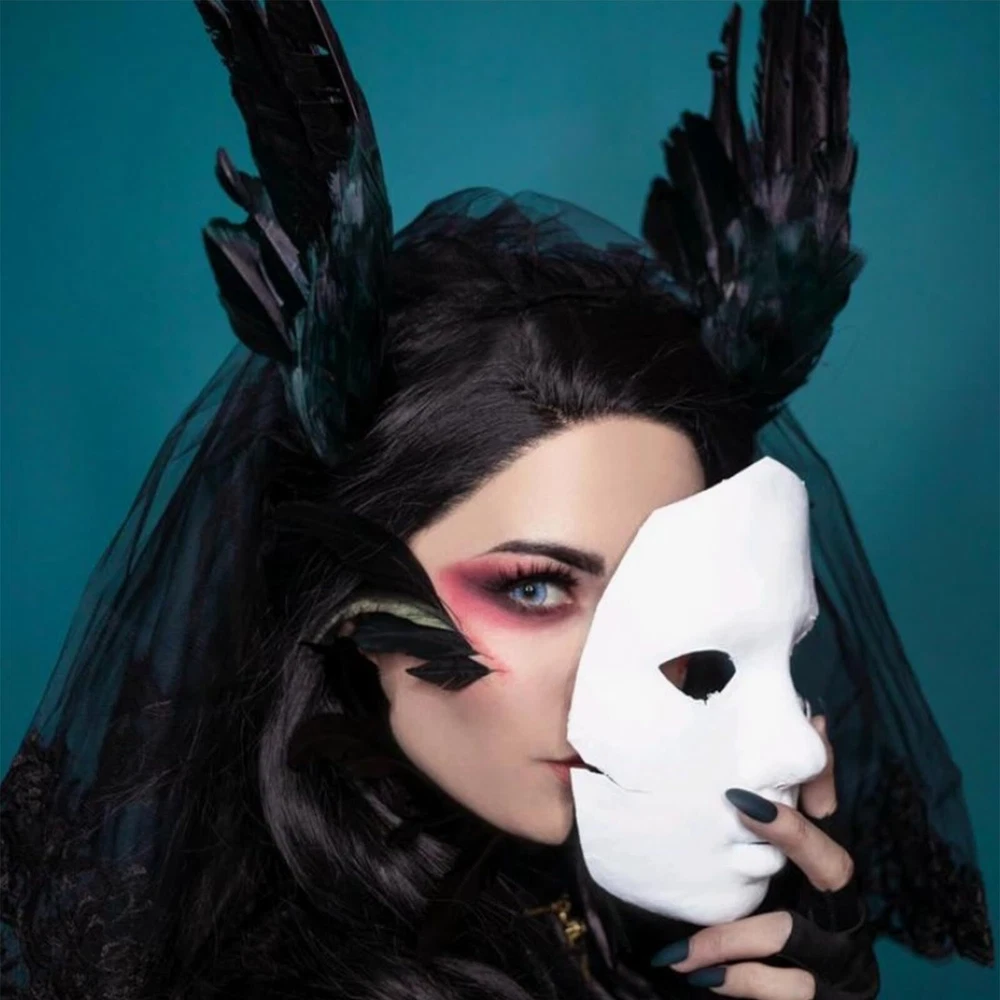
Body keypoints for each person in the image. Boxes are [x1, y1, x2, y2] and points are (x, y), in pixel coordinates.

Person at [0, 2, 992, 998]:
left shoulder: (585, 914)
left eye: (668, 598)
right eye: (534, 588)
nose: (616, 679)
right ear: (346, 601)